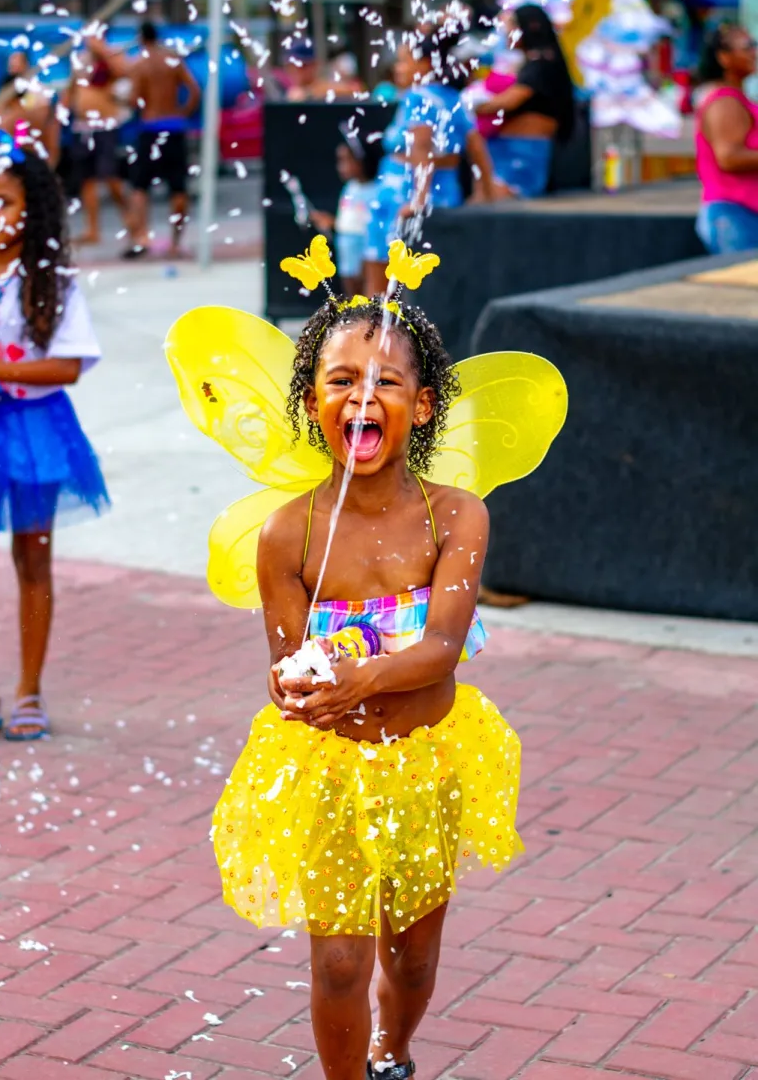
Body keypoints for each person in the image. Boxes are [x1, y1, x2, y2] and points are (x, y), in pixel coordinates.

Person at [210, 285, 523, 1080]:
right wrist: (301, 689)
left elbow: (444, 647)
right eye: (340, 378)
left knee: (412, 957)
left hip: (427, 759)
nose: (362, 394)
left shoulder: (457, 517)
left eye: (385, 380)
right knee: (342, 964)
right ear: (311, 400)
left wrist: (362, 677)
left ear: (421, 407)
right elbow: (285, 671)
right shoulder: (289, 534)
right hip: (331, 775)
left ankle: (395, 1048)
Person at [0, 133, 109, 745]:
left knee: (33, 557)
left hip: (35, 429)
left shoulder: (50, 280)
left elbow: (69, 365)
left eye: (3, 201)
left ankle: (29, 691)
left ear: (33, 209)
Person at [364, 28, 495, 296]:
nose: (397, 69)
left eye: (403, 61)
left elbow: (420, 147)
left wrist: (418, 199)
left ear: (425, 64)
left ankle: (375, 335)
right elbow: (477, 147)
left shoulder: (417, 98)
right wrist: (487, 192)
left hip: (403, 193)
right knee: (431, 282)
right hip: (447, 194)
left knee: (387, 283)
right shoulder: (453, 98)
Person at [475, 5, 575, 199]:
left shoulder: (541, 63)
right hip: (511, 149)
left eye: (511, 26)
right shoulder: (533, 62)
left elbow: (510, 101)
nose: (506, 32)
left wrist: (473, 106)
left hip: (522, 152)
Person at [125, 21, 201, 259]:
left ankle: (141, 239)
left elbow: (134, 99)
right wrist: (183, 112)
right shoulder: (173, 60)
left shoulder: (140, 65)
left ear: (141, 39)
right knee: (178, 187)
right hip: (174, 127)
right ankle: (176, 243)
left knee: (139, 187)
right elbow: (195, 90)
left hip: (150, 127)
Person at [694, 24, 758, 254]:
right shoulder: (725, 102)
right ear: (723, 57)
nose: (754, 52)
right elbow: (728, 157)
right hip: (734, 215)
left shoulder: (736, 98)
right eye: (748, 46)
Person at [63, 35, 132, 246]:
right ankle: (92, 229)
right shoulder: (81, 60)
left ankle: (131, 223)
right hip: (83, 127)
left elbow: (123, 74)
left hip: (105, 126)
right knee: (87, 179)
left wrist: (102, 50)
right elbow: (72, 88)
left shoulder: (113, 56)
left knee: (111, 177)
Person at [310, 123, 382, 297]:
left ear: (362, 160)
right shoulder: (350, 188)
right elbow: (349, 221)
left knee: (368, 294)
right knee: (351, 294)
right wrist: (331, 223)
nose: (341, 167)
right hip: (347, 250)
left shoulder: (378, 191)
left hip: (366, 251)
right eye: (340, 161)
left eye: (347, 160)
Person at [0, 51, 60, 169]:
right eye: (11, 66)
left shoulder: (40, 92)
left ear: (27, 66)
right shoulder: (3, 100)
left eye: (17, 65)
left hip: (33, 153)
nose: (14, 69)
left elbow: (50, 125)